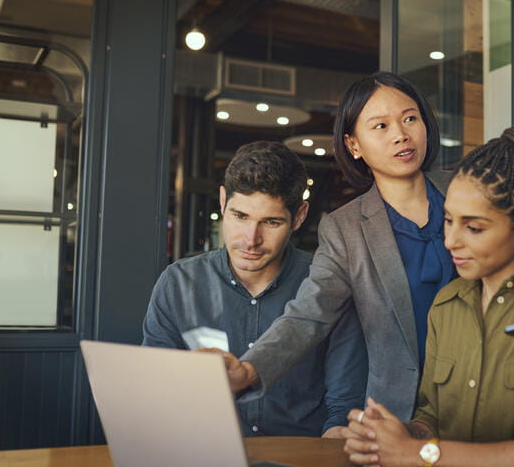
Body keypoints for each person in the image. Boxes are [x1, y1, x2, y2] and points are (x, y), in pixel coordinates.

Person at [342, 127, 514, 467]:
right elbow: (433, 416)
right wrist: (400, 435)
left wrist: (420, 455)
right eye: (448, 221)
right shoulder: (447, 304)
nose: (451, 242)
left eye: (474, 227)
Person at [211, 72, 455, 423]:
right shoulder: (344, 228)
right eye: (380, 126)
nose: (401, 134)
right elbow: (309, 313)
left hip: (489, 393)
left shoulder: (470, 188)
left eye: (409, 118)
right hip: (400, 411)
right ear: (353, 145)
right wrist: (249, 370)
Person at [141, 140, 367, 438]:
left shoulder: (328, 285)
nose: (250, 239)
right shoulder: (178, 283)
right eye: (240, 216)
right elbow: (153, 392)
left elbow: (344, 403)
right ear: (223, 202)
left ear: (299, 216)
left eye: (271, 222)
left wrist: (338, 435)